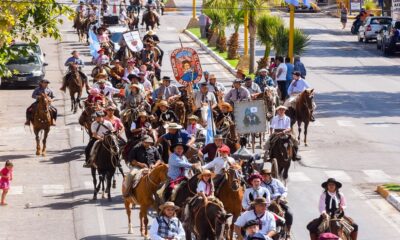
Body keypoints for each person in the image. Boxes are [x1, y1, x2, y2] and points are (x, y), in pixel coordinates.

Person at [260, 169, 293, 238]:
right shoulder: (261, 184)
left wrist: (282, 197)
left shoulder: (276, 182)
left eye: (266, 176)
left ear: (269, 175)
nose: (264, 177)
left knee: (289, 213)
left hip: (278, 200)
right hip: (267, 202)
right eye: (263, 176)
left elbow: (284, 190)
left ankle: (288, 232)